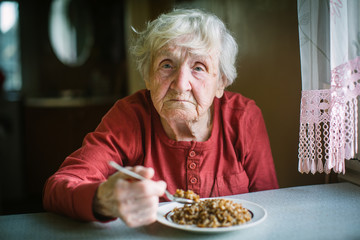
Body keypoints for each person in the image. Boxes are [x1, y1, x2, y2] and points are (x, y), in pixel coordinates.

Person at [43, 8, 278, 227]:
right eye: (167, 65)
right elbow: (58, 187)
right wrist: (102, 199)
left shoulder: (244, 118)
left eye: (198, 67)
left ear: (221, 84)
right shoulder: (129, 116)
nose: (180, 84)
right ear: (148, 77)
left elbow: (272, 203)